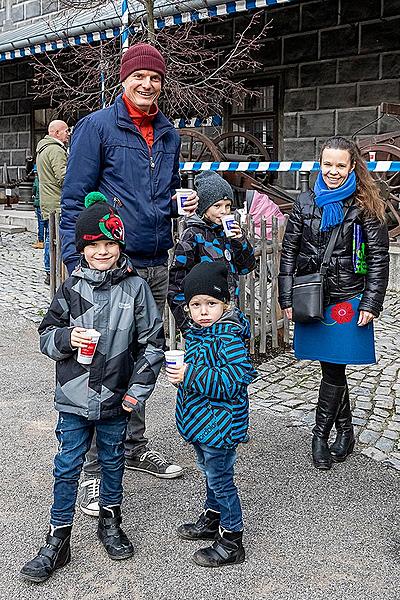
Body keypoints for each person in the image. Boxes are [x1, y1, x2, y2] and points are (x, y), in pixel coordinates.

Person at [59, 43, 199, 511]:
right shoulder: (96, 127)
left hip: (156, 260)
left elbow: (167, 187)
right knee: (102, 361)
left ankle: (132, 446)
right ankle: (96, 469)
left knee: (144, 357)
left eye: (155, 78)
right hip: (114, 262)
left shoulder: (169, 133)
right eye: (139, 77)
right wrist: (72, 259)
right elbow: (75, 196)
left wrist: (185, 202)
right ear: (123, 80)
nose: (147, 85)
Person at [20, 193, 164, 583]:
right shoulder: (70, 289)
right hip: (73, 397)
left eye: (109, 244)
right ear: (82, 248)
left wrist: (137, 391)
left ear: (120, 245)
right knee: (67, 466)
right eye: (94, 245)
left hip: (118, 396)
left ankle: (110, 523)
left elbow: (152, 344)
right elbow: (46, 335)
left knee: (114, 461)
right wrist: (68, 338)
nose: (102, 252)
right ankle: (58, 538)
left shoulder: (136, 289)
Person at [278, 136, 389, 470]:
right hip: (313, 296)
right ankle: (346, 432)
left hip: (349, 297)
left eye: (341, 165)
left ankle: (319, 434)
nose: (333, 171)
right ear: (320, 164)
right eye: (328, 164)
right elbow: (288, 252)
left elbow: (379, 257)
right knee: (331, 365)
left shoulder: (366, 204)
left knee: (334, 366)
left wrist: (371, 302)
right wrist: (285, 295)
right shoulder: (304, 202)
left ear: (352, 165)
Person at [166, 262, 257, 567]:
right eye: (196, 305)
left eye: (211, 304)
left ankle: (232, 539)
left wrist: (189, 375)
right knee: (209, 473)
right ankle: (212, 517)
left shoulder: (227, 337)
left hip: (220, 425)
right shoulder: (197, 334)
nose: (203, 311)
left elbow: (235, 380)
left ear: (225, 304)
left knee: (221, 480)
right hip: (201, 422)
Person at [168, 170, 255, 333]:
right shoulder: (193, 235)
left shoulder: (228, 234)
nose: (224, 211)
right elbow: (177, 281)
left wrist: (240, 241)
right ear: (204, 207)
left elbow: (247, 267)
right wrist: (187, 324)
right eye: (217, 206)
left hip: (229, 313)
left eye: (228, 206)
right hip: (202, 318)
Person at [36, 120, 69, 285]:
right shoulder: (55, 150)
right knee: (55, 238)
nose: (68, 134)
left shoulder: (43, 149)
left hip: (49, 200)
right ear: (56, 133)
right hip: (57, 201)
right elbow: (63, 177)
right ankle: (53, 272)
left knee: (51, 237)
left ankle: (50, 271)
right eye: (65, 131)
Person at [31, 166, 47, 250]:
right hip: (46, 203)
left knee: (40, 223)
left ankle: (41, 241)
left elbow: (34, 189)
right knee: (47, 224)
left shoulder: (37, 180)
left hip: (39, 204)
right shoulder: (46, 178)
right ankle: (48, 239)